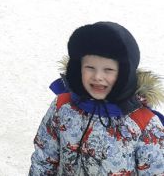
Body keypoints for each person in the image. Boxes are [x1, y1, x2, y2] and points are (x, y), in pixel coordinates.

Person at [29, 21, 164, 175]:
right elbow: (44, 157)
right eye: (90, 68)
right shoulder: (62, 106)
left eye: (108, 69)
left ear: (124, 73)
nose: (98, 77)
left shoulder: (144, 124)